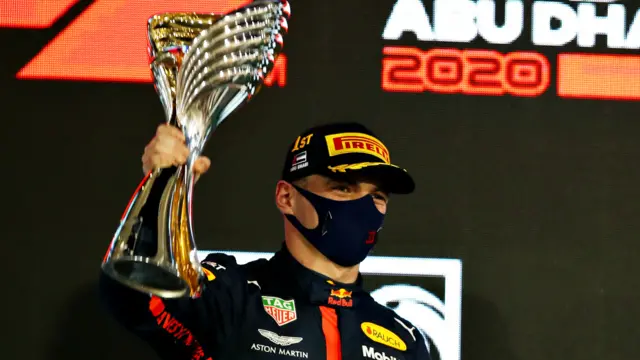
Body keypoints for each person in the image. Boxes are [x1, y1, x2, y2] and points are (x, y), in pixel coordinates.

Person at [100, 122, 431, 360]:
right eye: (342, 188)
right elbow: (133, 296)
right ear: (287, 197)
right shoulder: (234, 295)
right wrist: (161, 188)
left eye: (378, 196)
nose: (364, 208)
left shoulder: (404, 340)